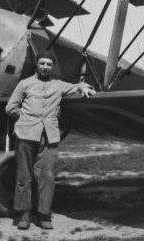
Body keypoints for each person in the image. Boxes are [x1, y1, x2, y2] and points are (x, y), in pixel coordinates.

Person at [5, 50, 95, 230]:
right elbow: (10, 107)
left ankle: (44, 214)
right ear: (37, 64)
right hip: (26, 134)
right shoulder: (25, 84)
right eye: (42, 64)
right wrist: (26, 117)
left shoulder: (58, 84)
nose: (45, 67)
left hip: (49, 136)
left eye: (49, 64)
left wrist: (83, 87)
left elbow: (76, 86)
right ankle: (24, 214)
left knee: (47, 176)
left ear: (52, 67)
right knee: (24, 175)